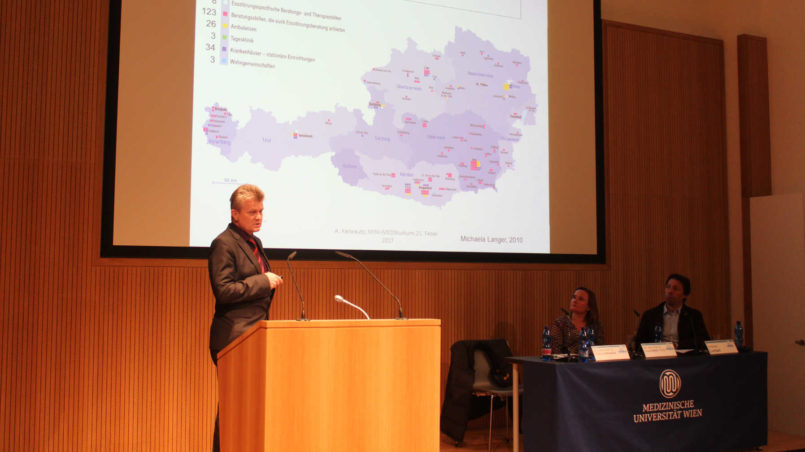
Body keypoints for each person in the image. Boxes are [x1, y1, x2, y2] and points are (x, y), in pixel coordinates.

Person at [207, 184, 283, 452]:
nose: (259, 217)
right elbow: (224, 290)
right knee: (233, 407)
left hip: (253, 335)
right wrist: (262, 281)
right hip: (233, 338)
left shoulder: (254, 242)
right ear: (235, 214)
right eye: (252, 212)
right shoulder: (223, 243)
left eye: (261, 211)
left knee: (249, 407)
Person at [635, 273, 710, 351]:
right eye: (668, 287)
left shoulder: (693, 316)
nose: (670, 291)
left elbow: (703, 340)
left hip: (684, 356)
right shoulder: (650, 315)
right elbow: (639, 343)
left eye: (675, 289)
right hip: (658, 355)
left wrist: (677, 345)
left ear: (685, 295)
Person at [550, 287, 604, 354]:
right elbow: (555, 351)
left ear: (588, 307)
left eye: (580, 299)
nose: (575, 300)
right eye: (573, 297)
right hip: (565, 360)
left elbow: (600, 351)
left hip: (589, 360)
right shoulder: (560, 323)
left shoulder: (595, 325)